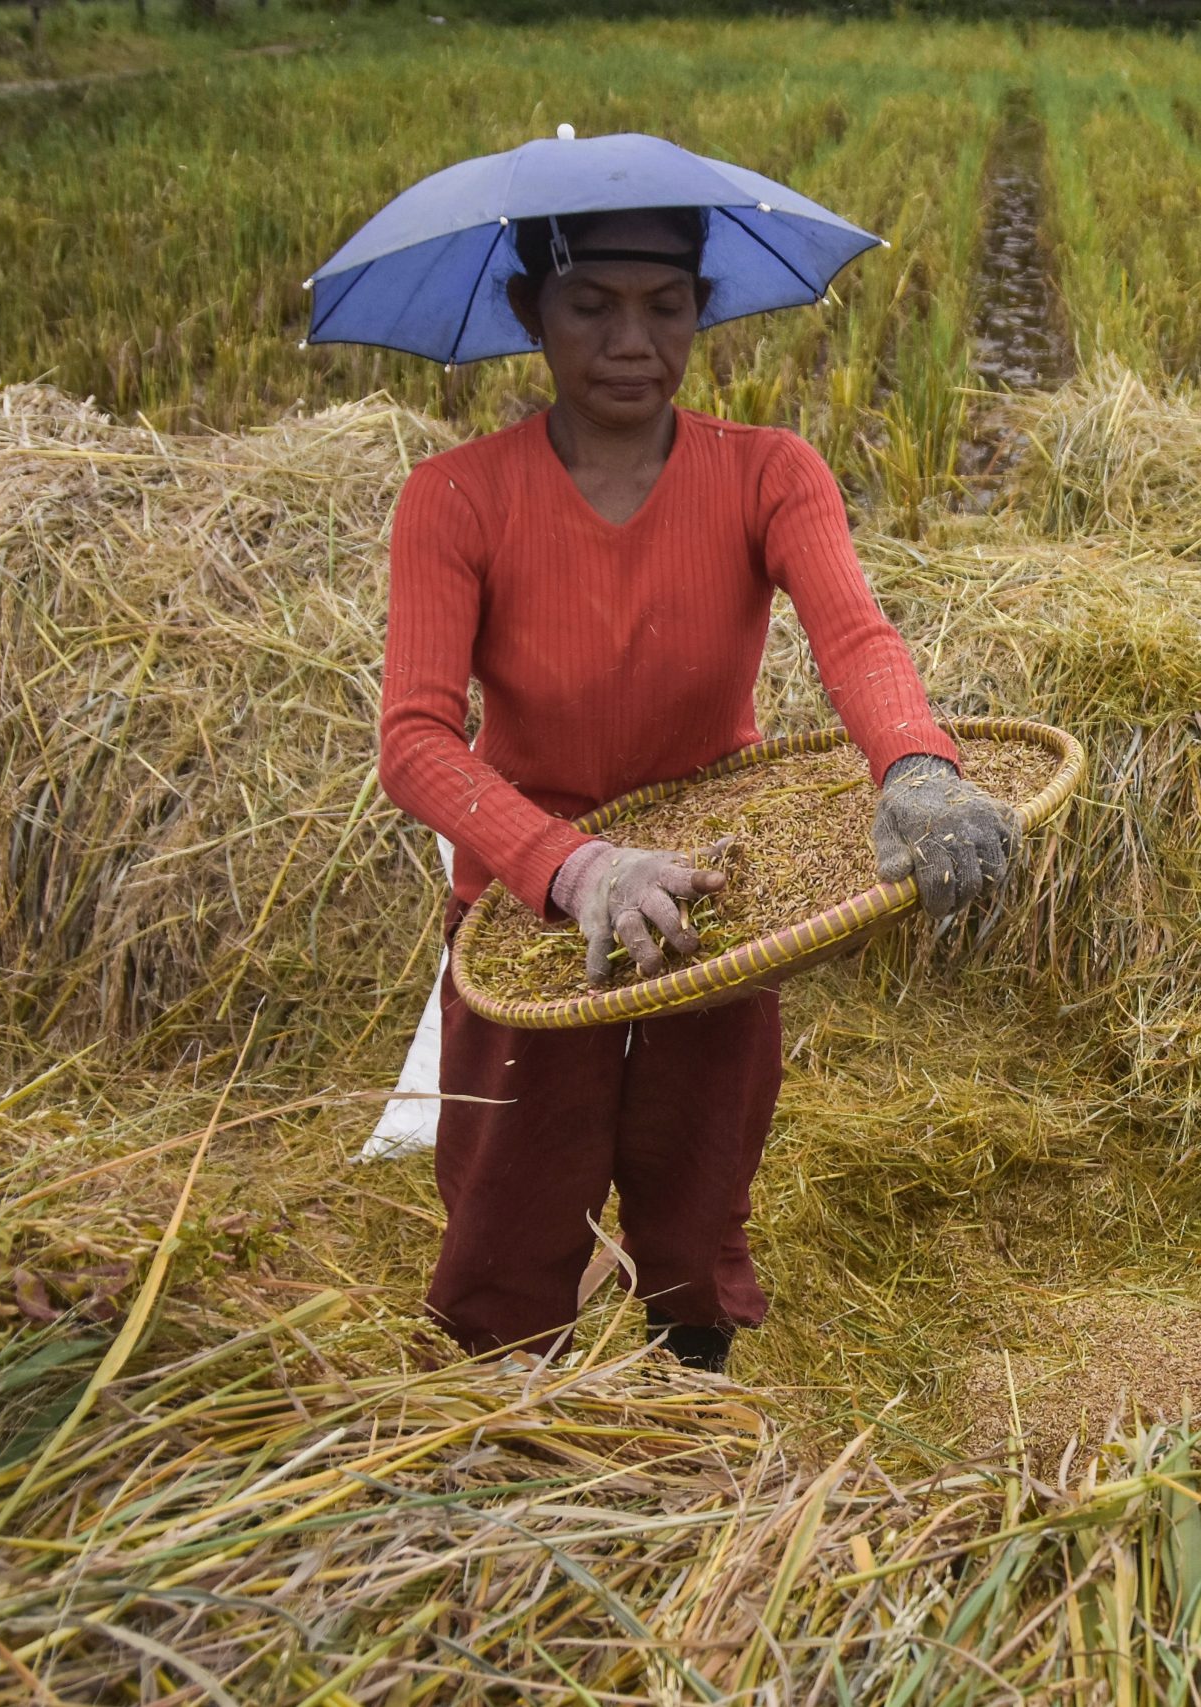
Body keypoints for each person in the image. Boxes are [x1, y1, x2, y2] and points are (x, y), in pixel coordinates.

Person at [379, 204, 1015, 1371]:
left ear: (701, 309)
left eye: (664, 307)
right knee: (512, 1192)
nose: (632, 341)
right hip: (532, 907)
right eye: (592, 306)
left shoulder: (765, 472)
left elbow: (856, 640)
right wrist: (573, 867)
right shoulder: (459, 497)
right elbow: (416, 743)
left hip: (715, 884)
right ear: (530, 313)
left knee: (699, 1168)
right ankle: (504, 1423)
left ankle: (688, 1392)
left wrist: (917, 766)